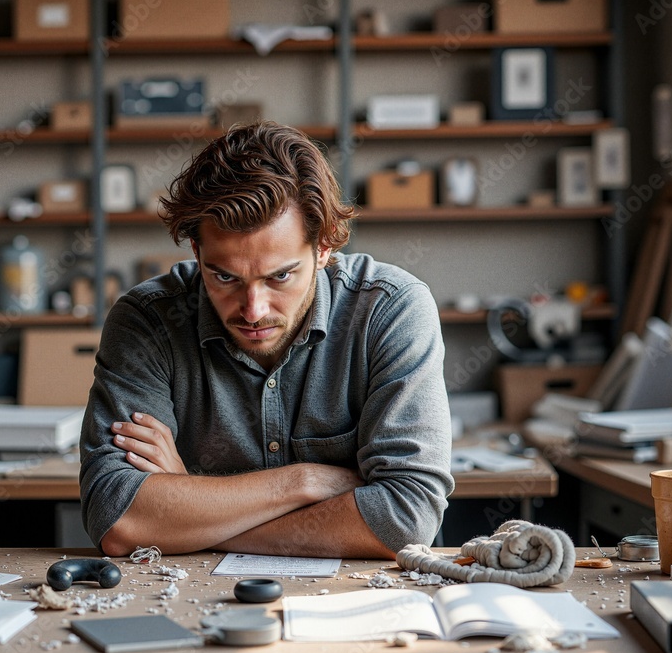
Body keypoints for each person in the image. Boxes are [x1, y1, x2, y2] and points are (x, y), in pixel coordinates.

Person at [80, 121, 452, 558]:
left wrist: (187, 506)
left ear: (324, 247)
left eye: (280, 276)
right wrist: (305, 482)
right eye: (224, 277)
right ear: (197, 253)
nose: (253, 310)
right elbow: (118, 519)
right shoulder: (147, 321)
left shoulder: (391, 310)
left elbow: (406, 518)